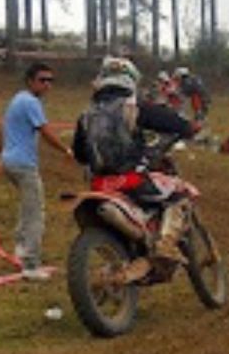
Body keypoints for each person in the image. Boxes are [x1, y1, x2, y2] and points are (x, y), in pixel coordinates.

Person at [73, 56, 195, 265]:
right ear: (130, 79)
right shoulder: (132, 105)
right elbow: (169, 121)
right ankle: (165, 245)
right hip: (131, 179)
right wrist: (187, 127)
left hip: (99, 185)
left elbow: (80, 154)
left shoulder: (86, 115)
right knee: (179, 194)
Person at [0, 62, 74, 281]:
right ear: (30, 81)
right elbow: (46, 132)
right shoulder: (30, 102)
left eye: (51, 81)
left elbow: (3, 128)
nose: (47, 85)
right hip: (23, 165)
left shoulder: (17, 99)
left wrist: (1, 156)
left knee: (27, 206)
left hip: (10, 163)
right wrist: (65, 150)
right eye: (42, 80)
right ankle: (30, 265)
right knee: (35, 213)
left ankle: (21, 249)